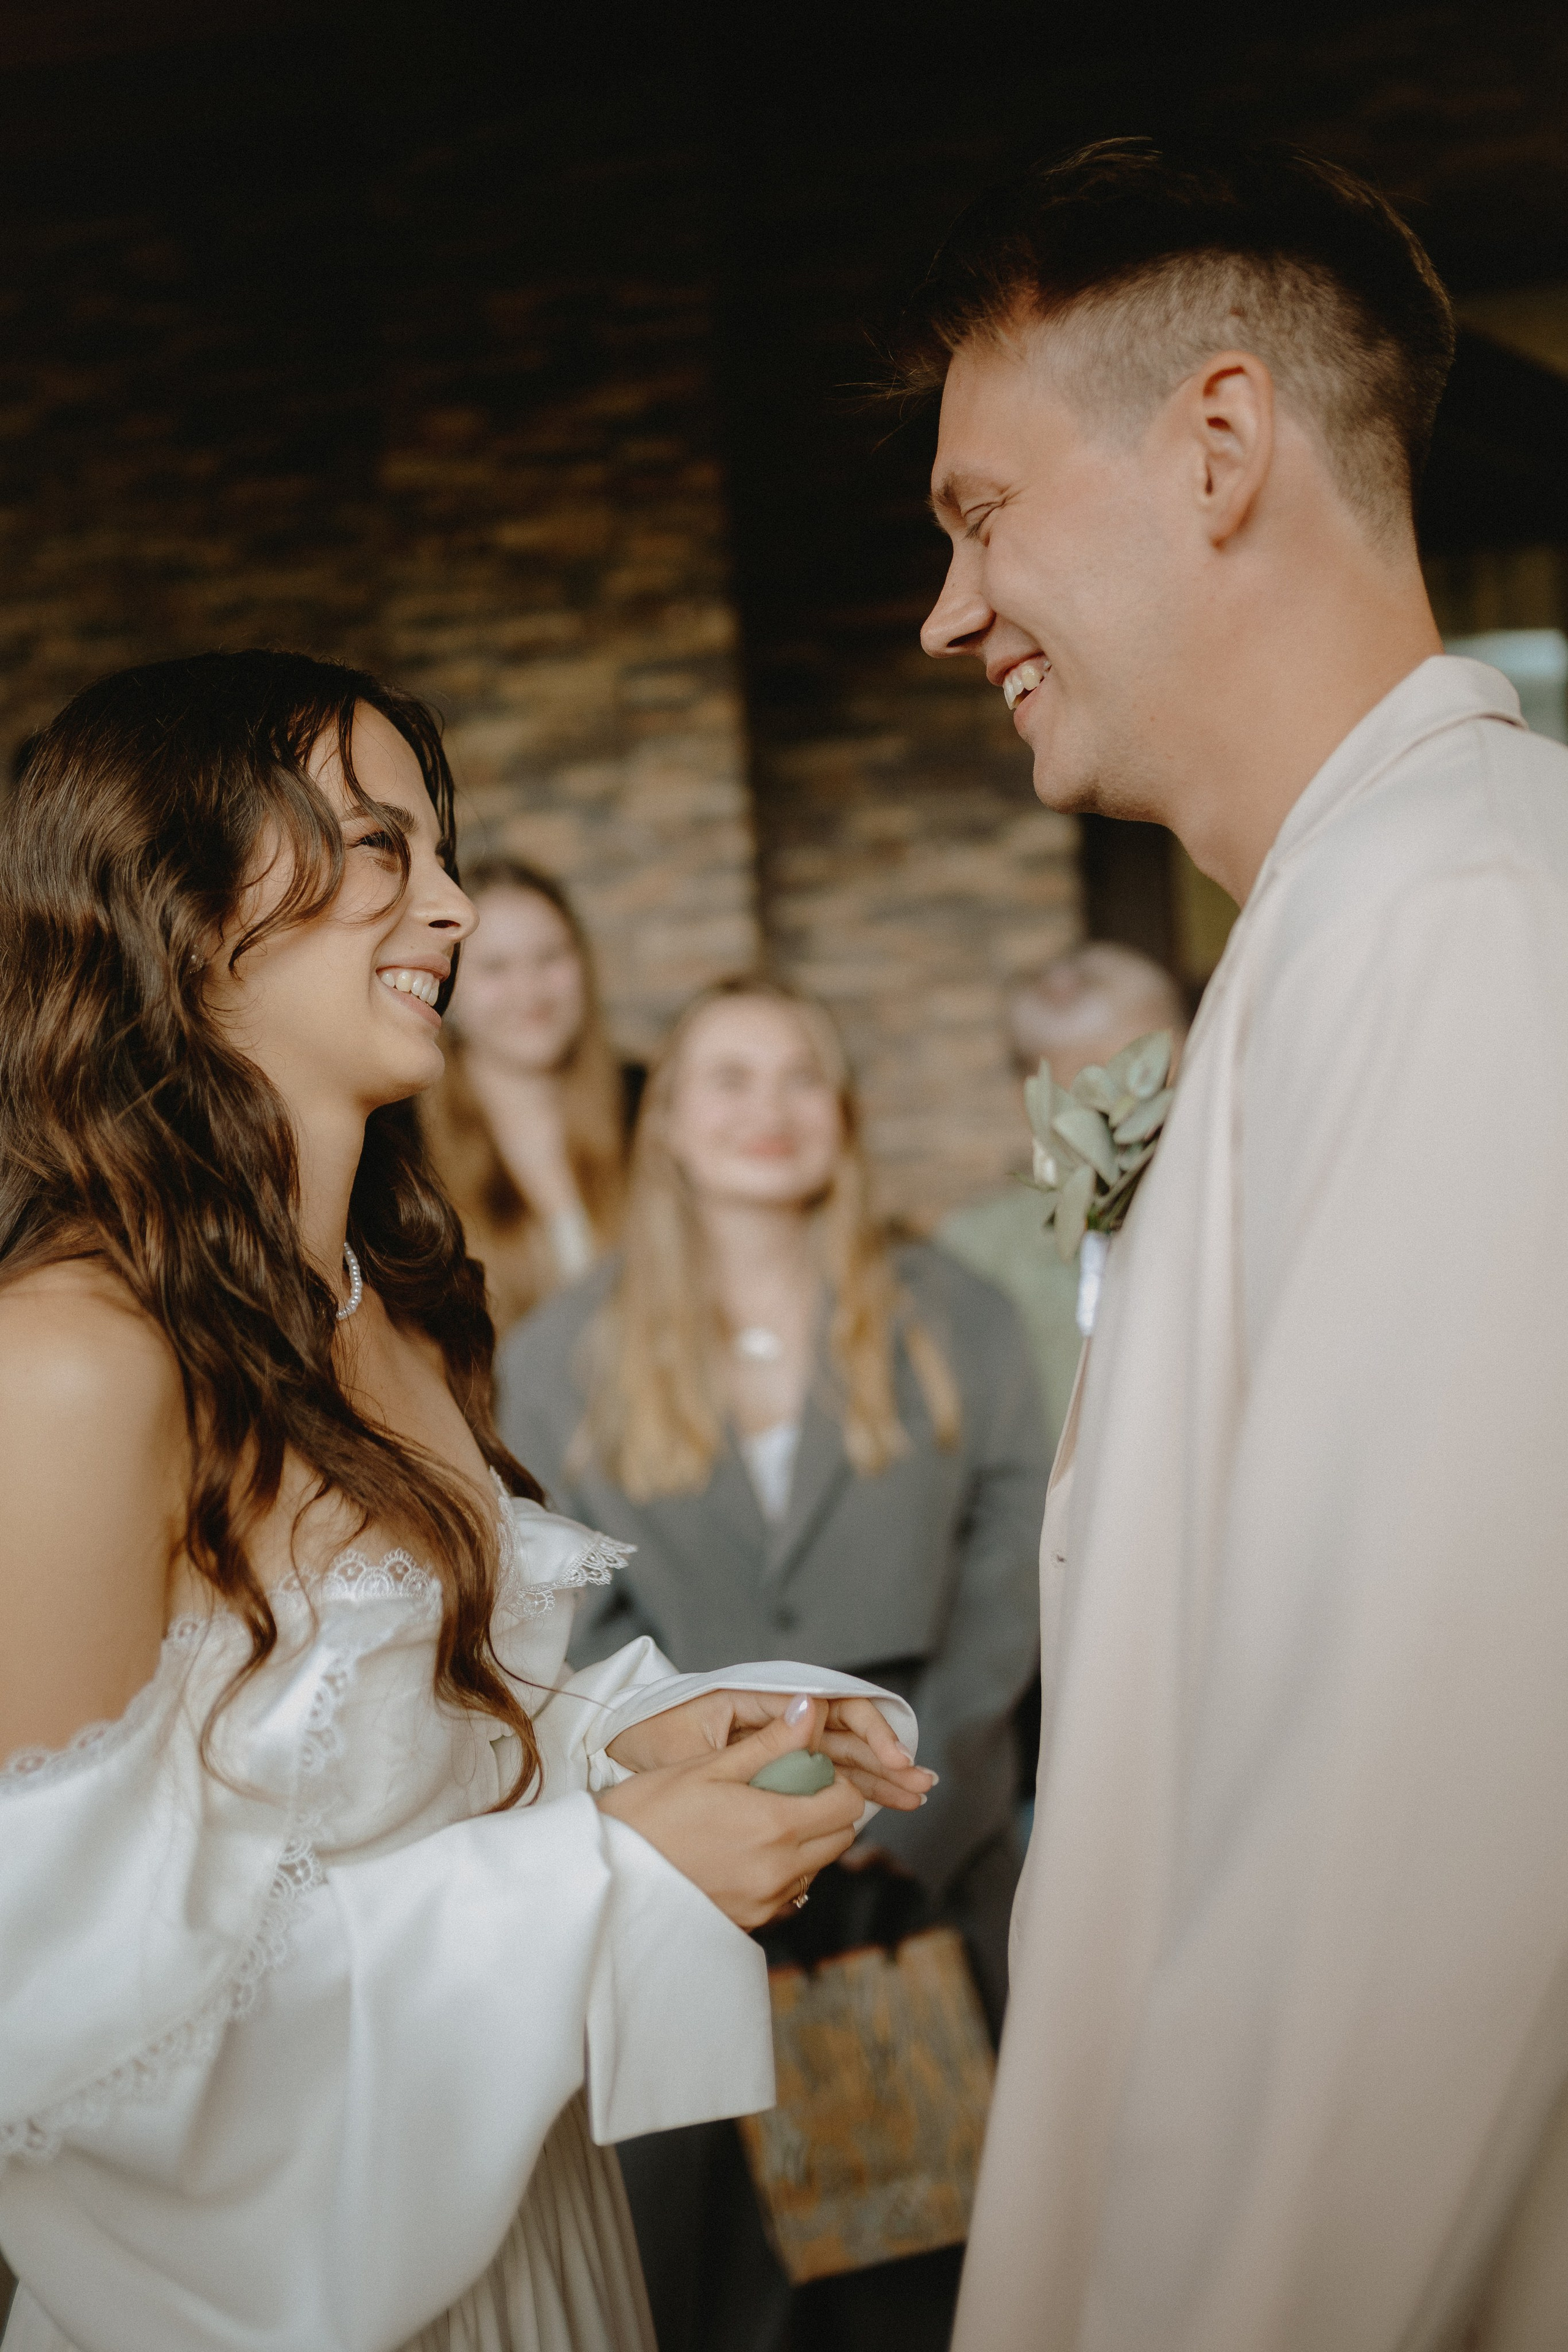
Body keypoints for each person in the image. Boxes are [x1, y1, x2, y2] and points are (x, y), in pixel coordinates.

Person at [0, 651, 935, 2352]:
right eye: (376, 846)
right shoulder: (69, 1366)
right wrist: (606, 1877)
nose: (450, 905)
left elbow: (393, 1748)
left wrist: (656, 1742)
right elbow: (62, 2036)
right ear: (179, 902)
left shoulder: (391, 1305)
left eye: (444, 850)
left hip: (530, 2240)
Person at [906, 136, 1568, 2352]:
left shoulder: (1455, 924)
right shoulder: (1344, 919)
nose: (943, 613)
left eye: (975, 515)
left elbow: (1390, 1870)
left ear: (1213, 445)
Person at [496, 976, 1049, 2352]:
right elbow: (560, 1605)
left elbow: (1016, 1571)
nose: (767, 1111)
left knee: (940, 2281)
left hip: (928, 1853)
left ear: (843, 1114)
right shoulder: (561, 1351)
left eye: (799, 1076)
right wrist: (721, 1797)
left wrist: (897, 1792)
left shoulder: (960, 1317)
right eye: (726, 1080)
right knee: (710, 2286)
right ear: (668, 1120)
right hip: (684, 1886)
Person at [939, 941, 1187, 1458]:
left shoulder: (1233, 1208)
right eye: (1105, 1075)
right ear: (1033, 1091)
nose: (1149, 1100)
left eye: (1165, 1064)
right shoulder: (976, 1251)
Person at [420, 855, 635, 1336]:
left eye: (550, 958)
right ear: (445, 986)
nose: (530, 991)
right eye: (495, 967)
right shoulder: (409, 1155)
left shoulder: (648, 1108)